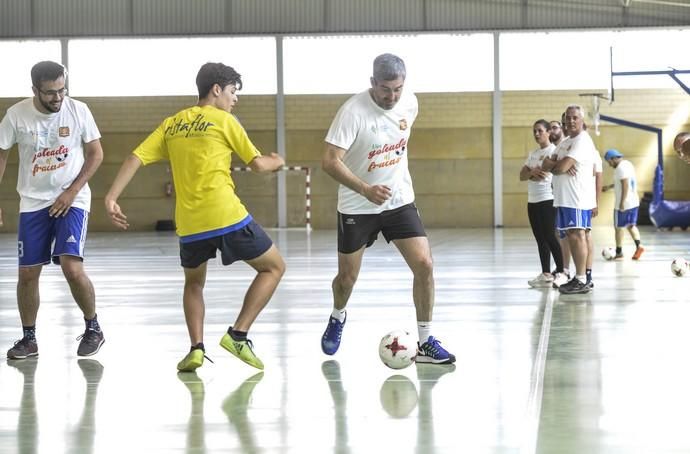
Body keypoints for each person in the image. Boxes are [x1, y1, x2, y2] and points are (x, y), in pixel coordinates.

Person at [104, 62, 285, 372]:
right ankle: (238, 335)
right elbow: (257, 164)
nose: (235, 99)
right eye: (232, 92)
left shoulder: (172, 124)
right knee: (274, 267)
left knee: (193, 284)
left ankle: (196, 349)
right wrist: (277, 160)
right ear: (216, 90)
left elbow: (135, 157)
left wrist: (111, 197)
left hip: (189, 224)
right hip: (226, 215)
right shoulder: (223, 120)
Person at [320, 53, 455, 365]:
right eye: (385, 89)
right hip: (358, 204)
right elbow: (329, 161)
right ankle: (338, 315)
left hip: (398, 201)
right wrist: (366, 189)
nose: (391, 96)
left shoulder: (410, 103)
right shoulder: (352, 112)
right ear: (372, 84)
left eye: (397, 89)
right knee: (346, 278)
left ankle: (425, 342)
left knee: (424, 264)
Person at [0, 61, 105, 359]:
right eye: (50, 93)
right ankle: (29, 339)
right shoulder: (16, 116)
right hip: (33, 202)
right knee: (28, 274)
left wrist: (71, 192)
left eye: (62, 90)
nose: (58, 98)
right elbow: (2, 156)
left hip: (71, 200)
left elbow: (96, 154)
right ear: (34, 90)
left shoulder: (78, 110)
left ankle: (93, 327)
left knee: (72, 268)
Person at [542, 105, 596, 294]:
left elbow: (557, 168)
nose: (571, 121)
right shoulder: (565, 143)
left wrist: (558, 164)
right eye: (568, 118)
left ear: (582, 121)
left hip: (577, 198)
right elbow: (546, 163)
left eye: (575, 118)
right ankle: (577, 277)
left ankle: (581, 279)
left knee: (578, 235)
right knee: (570, 237)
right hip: (563, 199)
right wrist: (559, 164)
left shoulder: (582, 141)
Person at [519, 119, 564, 288]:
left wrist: (533, 172)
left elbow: (546, 173)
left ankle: (561, 271)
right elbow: (522, 175)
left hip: (548, 199)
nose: (536, 134)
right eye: (534, 132)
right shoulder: (533, 154)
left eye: (540, 131)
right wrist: (532, 171)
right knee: (540, 239)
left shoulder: (554, 151)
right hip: (533, 200)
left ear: (548, 132)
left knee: (551, 236)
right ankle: (546, 273)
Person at [603, 149, 644, 260]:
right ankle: (639, 245)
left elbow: (625, 184)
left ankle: (619, 252)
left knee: (618, 228)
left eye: (609, 161)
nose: (609, 164)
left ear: (613, 158)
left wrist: (621, 203)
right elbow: (621, 182)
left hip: (624, 204)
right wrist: (609, 187)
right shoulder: (627, 164)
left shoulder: (620, 168)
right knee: (631, 225)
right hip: (634, 202)